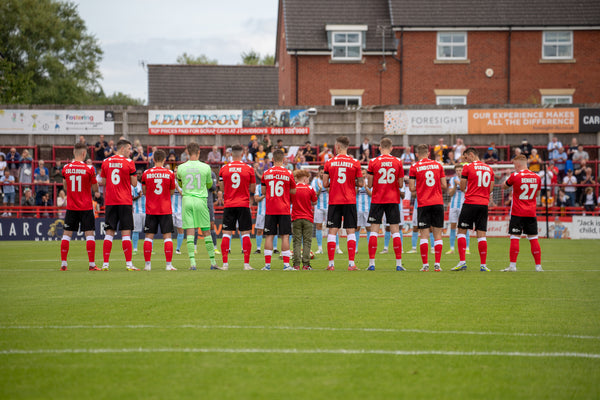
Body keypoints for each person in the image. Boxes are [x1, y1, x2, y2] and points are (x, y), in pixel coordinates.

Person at [451, 147, 494, 272]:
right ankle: (483, 265)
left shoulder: (468, 168)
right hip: (483, 204)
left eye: (466, 157)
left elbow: (463, 187)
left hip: (470, 203)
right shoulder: (489, 168)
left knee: (461, 231)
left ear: (471, 155)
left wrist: (469, 188)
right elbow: (490, 189)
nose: (465, 160)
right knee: (481, 235)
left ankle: (462, 262)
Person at [323, 136, 363, 271]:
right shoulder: (355, 162)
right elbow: (361, 183)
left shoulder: (329, 162)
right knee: (350, 230)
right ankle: (351, 264)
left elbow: (324, 183)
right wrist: (352, 184)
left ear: (338, 147)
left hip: (334, 200)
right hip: (349, 200)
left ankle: (331, 264)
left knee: (332, 231)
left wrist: (333, 184)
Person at [177, 142, 217, 270]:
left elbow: (180, 183)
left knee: (189, 231)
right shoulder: (206, 167)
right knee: (206, 232)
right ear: (199, 152)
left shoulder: (181, 167)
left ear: (187, 152)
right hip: (201, 200)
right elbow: (210, 185)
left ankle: (193, 264)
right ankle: (213, 262)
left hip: (187, 200)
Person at [366, 138, 405, 271]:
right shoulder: (398, 162)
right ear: (392, 148)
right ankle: (399, 264)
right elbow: (400, 184)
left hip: (377, 199)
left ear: (379, 147)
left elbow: (370, 184)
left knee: (374, 231)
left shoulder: (373, 162)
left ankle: (372, 264)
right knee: (395, 231)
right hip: (393, 199)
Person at [100, 139, 138, 271]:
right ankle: (128, 264)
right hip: (124, 201)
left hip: (110, 201)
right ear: (122, 149)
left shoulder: (105, 162)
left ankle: (105, 264)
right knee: (126, 233)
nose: (130, 151)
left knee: (109, 233)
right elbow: (134, 183)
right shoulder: (129, 162)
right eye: (129, 149)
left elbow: (104, 182)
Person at [60, 143, 99, 271]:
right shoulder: (89, 169)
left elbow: (65, 186)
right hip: (86, 206)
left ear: (73, 152)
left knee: (66, 235)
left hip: (71, 206)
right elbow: (95, 188)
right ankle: (92, 264)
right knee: (89, 235)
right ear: (84, 154)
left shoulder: (66, 168)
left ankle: (64, 264)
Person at [409, 144, 447, 272]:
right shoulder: (438, 165)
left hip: (423, 203)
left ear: (417, 154)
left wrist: (422, 186)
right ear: (429, 153)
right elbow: (444, 185)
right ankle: (437, 264)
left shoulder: (414, 167)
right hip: (437, 202)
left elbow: (411, 188)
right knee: (437, 235)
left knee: (424, 235)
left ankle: (425, 265)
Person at [501, 155, 543, 272]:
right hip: (531, 212)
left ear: (518, 164)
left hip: (517, 212)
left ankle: (513, 266)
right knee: (533, 238)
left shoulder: (515, 176)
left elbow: (504, 186)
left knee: (515, 238)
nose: (514, 167)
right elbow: (538, 194)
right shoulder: (537, 177)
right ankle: (538, 266)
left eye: (514, 165)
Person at [219, 144, 256, 270]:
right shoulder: (249, 169)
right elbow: (252, 188)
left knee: (226, 234)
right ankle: (246, 264)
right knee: (245, 233)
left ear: (230, 154)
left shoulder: (224, 168)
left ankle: (225, 264)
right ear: (242, 154)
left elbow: (222, 188)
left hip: (229, 204)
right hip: (244, 204)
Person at [141, 149, 177, 271]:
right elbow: (172, 191)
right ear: (164, 160)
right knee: (167, 237)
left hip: (151, 209)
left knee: (148, 237)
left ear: (153, 159)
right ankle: (168, 265)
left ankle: (147, 265)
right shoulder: (170, 173)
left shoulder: (146, 173)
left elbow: (144, 191)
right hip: (165, 209)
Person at [261, 149, 296, 270]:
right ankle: (286, 265)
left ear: (272, 160)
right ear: (284, 160)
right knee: (285, 236)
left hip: (270, 208)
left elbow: (263, 192)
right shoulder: (289, 173)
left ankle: (267, 265)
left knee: (269, 236)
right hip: (284, 208)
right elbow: (293, 191)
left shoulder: (266, 173)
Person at [291, 169, 317, 270]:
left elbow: (290, 201)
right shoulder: (310, 188)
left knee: (296, 241)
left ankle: (296, 264)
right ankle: (306, 264)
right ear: (305, 178)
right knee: (307, 241)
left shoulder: (293, 189)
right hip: (307, 218)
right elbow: (314, 202)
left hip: (296, 217)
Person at [446, 164, 470, 255]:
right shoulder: (452, 180)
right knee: (452, 227)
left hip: (464, 206)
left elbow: (467, 192)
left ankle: (467, 248)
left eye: (460, 170)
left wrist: (460, 184)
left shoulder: (467, 179)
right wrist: (456, 185)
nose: (459, 172)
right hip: (453, 206)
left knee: (464, 227)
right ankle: (452, 248)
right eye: (457, 170)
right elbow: (450, 193)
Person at [355, 168, 371, 254]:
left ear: (366, 174)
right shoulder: (356, 182)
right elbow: (353, 194)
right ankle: (355, 248)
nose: (362, 175)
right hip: (358, 209)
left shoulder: (369, 182)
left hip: (368, 209)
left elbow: (372, 194)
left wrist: (366, 188)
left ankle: (370, 248)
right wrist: (358, 187)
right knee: (357, 228)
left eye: (364, 174)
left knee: (369, 228)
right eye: (361, 174)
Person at [170, 166, 185, 255]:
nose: (175, 173)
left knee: (180, 230)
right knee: (168, 230)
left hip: (180, 210)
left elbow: (184, 195)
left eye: (177, 171)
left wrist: (178, 188)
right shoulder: (170, 181)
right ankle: (169, 248)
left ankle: (178, 249)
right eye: (174, 171)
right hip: (170, 210)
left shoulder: (184, 183)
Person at [131, 170, 145, 254]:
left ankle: (151, 249)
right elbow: (131, 198)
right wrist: (138, 196)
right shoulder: (133, 186)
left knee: (149, 231)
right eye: (138, 174)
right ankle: (135, 249)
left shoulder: (146, 185)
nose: (139, 175)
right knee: (135, 230)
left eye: (140, 173)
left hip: (146, 211)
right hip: (136, 211)